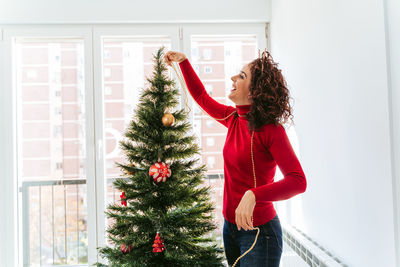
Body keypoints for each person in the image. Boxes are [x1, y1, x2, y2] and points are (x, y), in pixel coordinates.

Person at [164, 49, 307, 267]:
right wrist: (183, 63)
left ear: (254, 92)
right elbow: (202, 97)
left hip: (260, 233)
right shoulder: (233, 118)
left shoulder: (271, 131)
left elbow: (298, 181)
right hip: (230, 228)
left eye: (241, 76)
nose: (233, 78)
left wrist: (253, 195)